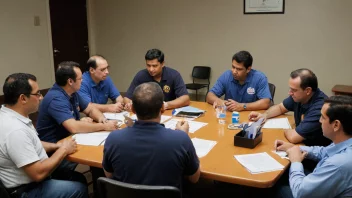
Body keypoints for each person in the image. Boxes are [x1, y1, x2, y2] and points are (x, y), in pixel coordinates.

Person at [0, 73, 88, 198]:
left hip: (31, 180)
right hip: (27, 189)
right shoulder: (15, 130)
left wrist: (56, 146)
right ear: (23, 98)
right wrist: (63, 150)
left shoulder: (9, 115)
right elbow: (38, 174)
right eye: (37, 94)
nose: (41, 98)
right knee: (79, 188)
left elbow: (30, 144)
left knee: (78, 178)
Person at [103, 82, 200, 191]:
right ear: (162, 108)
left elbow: (109, 176)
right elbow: (194, 178)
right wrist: (183, 135)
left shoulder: (113, 139)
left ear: (133, 109)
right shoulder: (181, 140)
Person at [36, 61, 118, 174]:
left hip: (71, 141)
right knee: (100, 157)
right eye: (80, 79)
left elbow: (90, 109)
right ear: (70, 81)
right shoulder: (56, 98)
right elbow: (73, 127)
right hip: (54, 150)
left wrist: (102, 119)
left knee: (101, 153)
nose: (83, 81)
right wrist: (103, 126)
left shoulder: (73, 92)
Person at [274, 95, 352, 198]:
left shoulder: (338, 164)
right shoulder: (345, 140)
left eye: (323, 117)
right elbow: (323, 151)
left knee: (274, 187)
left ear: (336, 125)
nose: (319, 121)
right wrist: (295, 148)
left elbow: (300, 193)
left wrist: (296, 161)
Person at [249, 68, 331, 146]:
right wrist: (264, 115)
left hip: (315, 153)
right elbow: (280, 108)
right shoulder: (298, 97)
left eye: (294, 90)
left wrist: (285, 130)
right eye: (290, 89)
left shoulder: (320, 107)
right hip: (300, 145)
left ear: (308, 91)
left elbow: (293, 137)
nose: (290, 93)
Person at [124, 49, 190, 110]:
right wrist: (129, 104)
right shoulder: (141, 75)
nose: (151, 69)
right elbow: (127, 98)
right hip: (146, 113)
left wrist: (166, 105)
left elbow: (185, 99)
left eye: (155, 66)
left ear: (162, 64)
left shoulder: (174, 75)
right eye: (148, 65)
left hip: (167, 112)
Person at [206, 50, 271, 111]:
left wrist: (242, 106)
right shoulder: (226, 75)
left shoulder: (259, 78)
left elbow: (266, 103)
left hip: (249, 116)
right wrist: (219, 101)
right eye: (233, 67)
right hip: (229, 116)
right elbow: (209, 95)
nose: (234, 71)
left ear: (248, 69)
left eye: (239, 69)